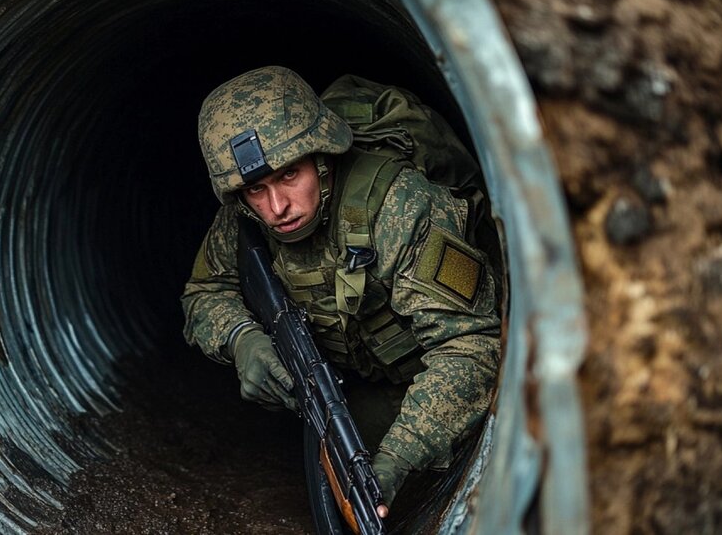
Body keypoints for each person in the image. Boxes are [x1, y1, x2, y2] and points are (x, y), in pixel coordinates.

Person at [181, 66, 502, 520]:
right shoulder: (245, 219)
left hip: (428, 386)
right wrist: (240, 338)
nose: (277, 207)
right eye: (256, 189)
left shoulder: (399, 205)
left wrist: (398, 458)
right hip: (355, 387)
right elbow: (204, 290)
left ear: (322, 155)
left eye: (290, 174)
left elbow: (470, 348)